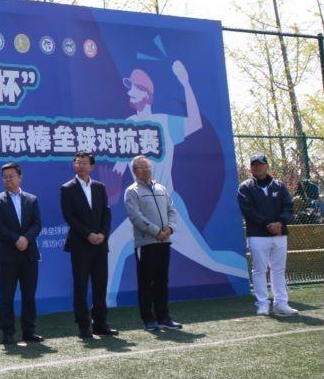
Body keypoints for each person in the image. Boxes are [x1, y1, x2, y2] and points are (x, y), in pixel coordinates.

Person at [106, 61, 248, 306]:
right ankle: (108, 302)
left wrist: (185, 83)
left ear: (147, 94)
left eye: (134, 88)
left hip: (168, 207)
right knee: (115, 245)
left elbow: (195, 122)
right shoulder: (128, 125)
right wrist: (116, 174)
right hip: (141, 207)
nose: (129, 92)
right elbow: (120, 164)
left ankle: (245, 273)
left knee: (209, 259)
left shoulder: (164, 122)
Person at [60, 152, 118, 339]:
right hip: (80, 245)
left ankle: (100, 324)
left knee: (100, 285)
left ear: (92, 166)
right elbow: (69, 216)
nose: (81, 166)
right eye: (78, 163)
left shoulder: (99, 187)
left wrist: (102, 234)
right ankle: (84, 325)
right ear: (74, 165)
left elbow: (106, 213)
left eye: (85, 163)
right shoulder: (67, 188)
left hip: (100, 244)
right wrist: (88, 234)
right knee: (81, 286)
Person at [124, 155, 183, 331]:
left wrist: (169, 229)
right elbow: (136, 217)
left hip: (164, 242)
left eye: (148, 166)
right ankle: (148, 319)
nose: (147, 169)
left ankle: (164, 317)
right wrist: (156, 232)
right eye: (142, 167)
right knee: (146, 283)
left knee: (161, 281)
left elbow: (172, 210)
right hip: (146, 243)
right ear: (135, 171)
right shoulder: (132, 191)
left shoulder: (161, 188)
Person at [237, 154, 298, 316]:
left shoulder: (279, 185)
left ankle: (281, 304)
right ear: (251, 167)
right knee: (259, 270)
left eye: (260, 164)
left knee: (279, 270)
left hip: (279, 234)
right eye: (254, 165)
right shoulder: (245, 187)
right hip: (257, 235)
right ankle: (263, 304)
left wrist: (280, 223)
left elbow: (288, 206)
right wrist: (267, 224)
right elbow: (248, 211)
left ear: (266, 166)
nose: (257, 167)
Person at [0, 162, 43, 345]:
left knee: (29, 294)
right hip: (7, 255)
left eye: (11, 176)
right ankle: (8, 333)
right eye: (4, 177)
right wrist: (16, 239)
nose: (8, 180)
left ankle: (29, 331)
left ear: (20, 177)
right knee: (7, 295)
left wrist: (26, 239)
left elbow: (37, 224)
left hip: (29, 254)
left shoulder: (31, 199)